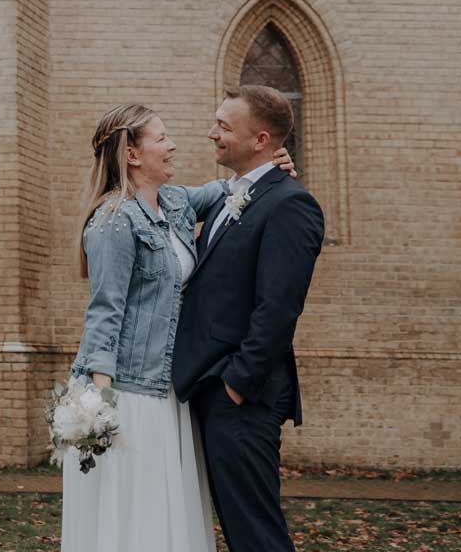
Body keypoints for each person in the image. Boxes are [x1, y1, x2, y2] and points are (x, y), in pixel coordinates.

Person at [61, 103, 295, 552]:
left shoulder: (175, 202)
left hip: (169, 388)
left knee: (166, 512)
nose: (173, 146)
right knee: (134, 513)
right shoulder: (113, 221)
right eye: (162, 138)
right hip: (128, 390)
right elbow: (104, 314)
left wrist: (273, 165)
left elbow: (233, 189)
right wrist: (101, 406)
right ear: (132, 154)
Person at [172, 86, 324, 552]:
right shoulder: (225, 198)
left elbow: (278, 308)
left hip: (241, 395)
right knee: (238, 528)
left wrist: (237, 383)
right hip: (209, 386)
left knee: (255, 532)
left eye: (223, 125)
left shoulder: (291, 205)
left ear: (260, 139)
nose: (211, 133)